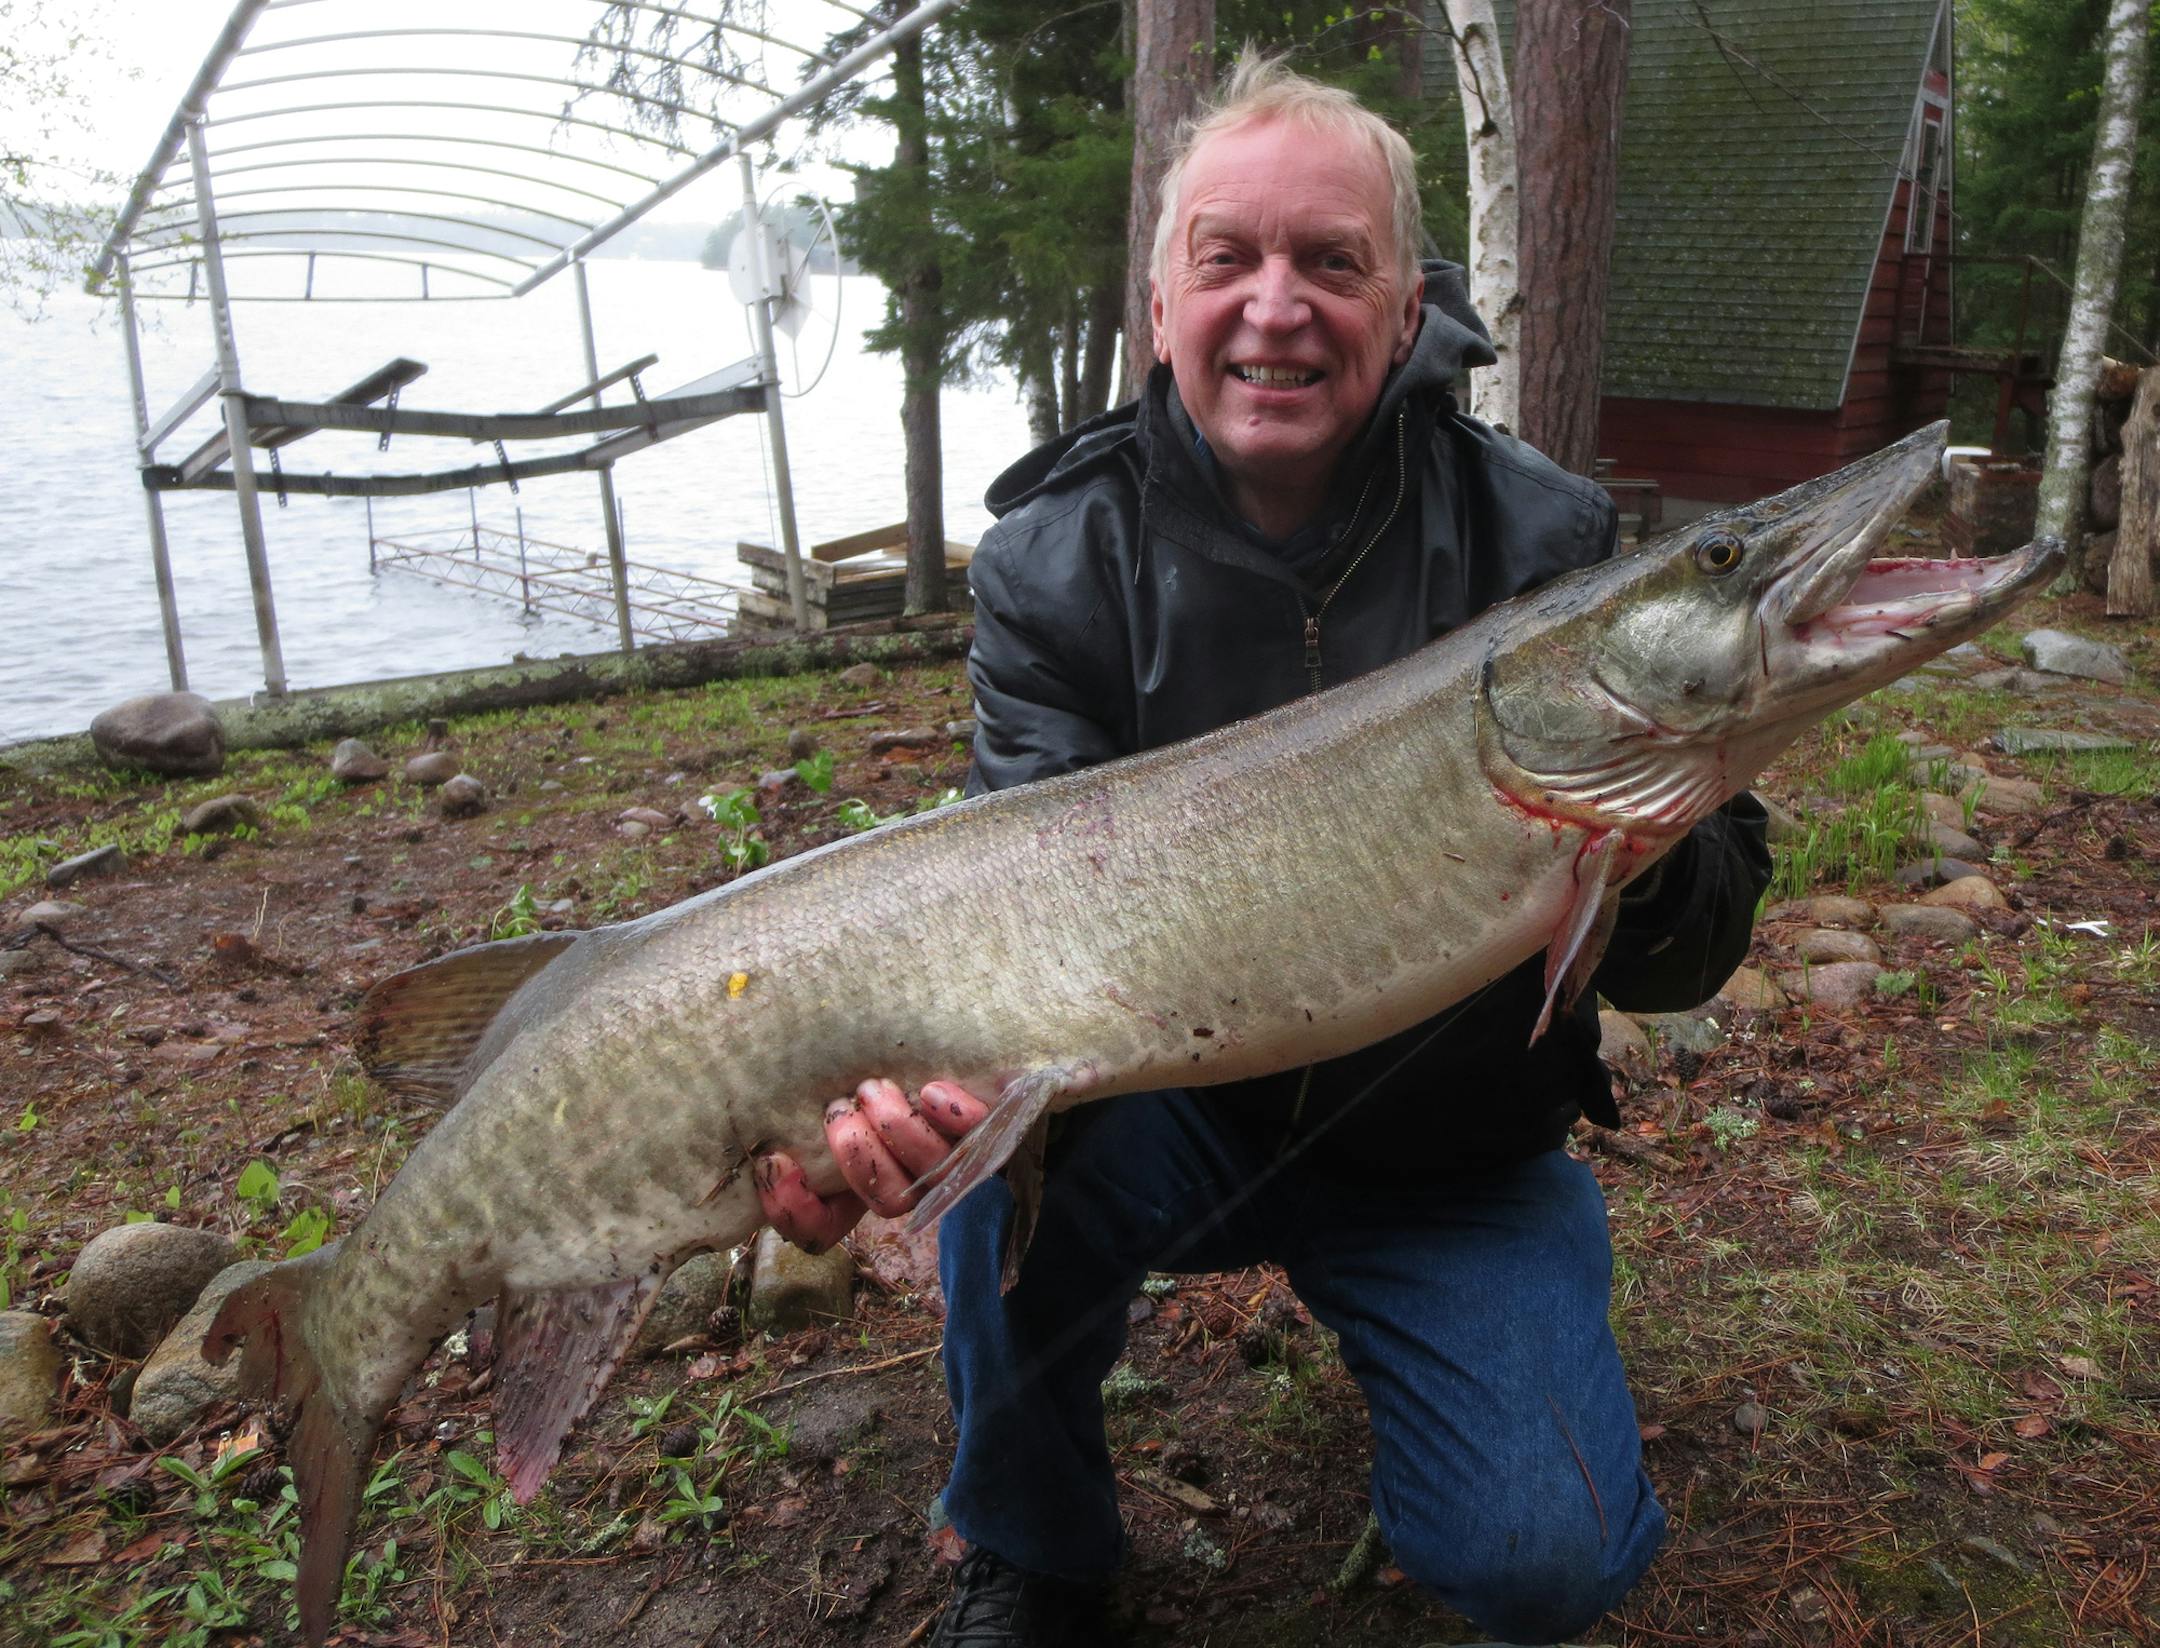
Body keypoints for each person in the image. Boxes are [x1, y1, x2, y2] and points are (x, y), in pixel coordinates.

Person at [754, 53, 1770, 1648]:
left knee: (1541, 1565)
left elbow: (1700, 945)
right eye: (1227, 259)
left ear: (1412, 299)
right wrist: (880, 1134)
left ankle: (1475, 1354)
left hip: (1452, 1148)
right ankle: (1034, 1541)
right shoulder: (1052, 564)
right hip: (1163, 1120)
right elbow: (1011, 935)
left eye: (1331, 260)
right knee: (983, 1139)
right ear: (1160, 304)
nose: (1276, 307)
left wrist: (1648, 819)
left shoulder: (1548, 544)